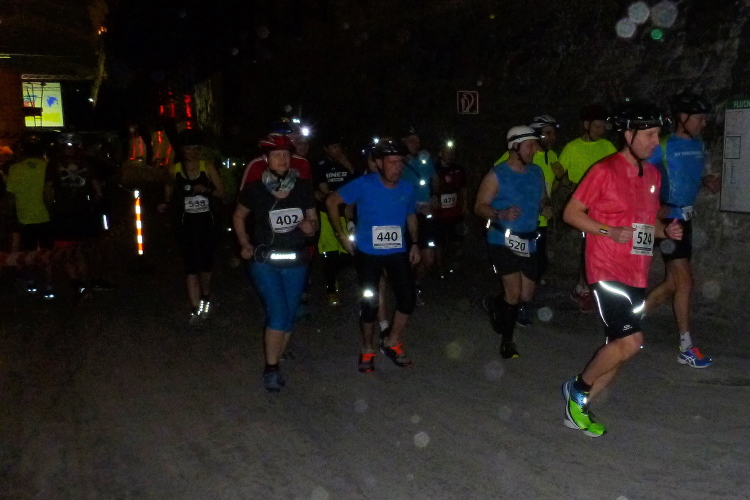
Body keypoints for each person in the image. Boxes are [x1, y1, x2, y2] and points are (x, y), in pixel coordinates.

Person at [561, 100, 682, 437]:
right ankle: (577, 390)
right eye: (649, 135)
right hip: (606, 269)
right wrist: (607, 231)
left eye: (657, 134)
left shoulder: (653, 175)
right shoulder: (603, 171)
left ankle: (578, 407)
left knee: (621, 347)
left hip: (636, 271)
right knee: (631, 341)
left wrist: (666, 231)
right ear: (628, 135)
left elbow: (647, 223)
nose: (656, 141)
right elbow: (571, 213)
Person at [325, 139, 420, 373]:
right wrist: (342, 235)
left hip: (397, 251)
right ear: (379, 163)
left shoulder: (407, 188)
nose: (397, 167)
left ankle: (391, 341)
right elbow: (332, 201)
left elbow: (410, 215)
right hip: (368, 254)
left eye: (400, 162)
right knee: (370, 304)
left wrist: (415, 243)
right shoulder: (364, 184)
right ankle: (368, 348)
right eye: (392, 162)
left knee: (408, 299)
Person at [233, 134, 318, 392]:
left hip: (296, 261)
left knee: (290, 315)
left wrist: (310, 226)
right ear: (266, 159)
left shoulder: (302, 187)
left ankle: (277, 358)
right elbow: (238, 216)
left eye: (286, 155)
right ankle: (271, 369)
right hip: (265, 261)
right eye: (276, 155)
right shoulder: (255, 190)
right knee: (279, 314)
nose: (282, 159)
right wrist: (245, 243)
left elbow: (314, 220)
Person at [644, 93, 720, 368]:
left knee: (673, 284)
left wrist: (705, 181)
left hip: (686, 219)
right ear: (682, 118)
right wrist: (656, 206)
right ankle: (686, 347)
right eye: (699, 118)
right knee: (686, 281)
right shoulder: (662, 146)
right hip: (668, 222)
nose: (704, 123)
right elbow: (640, 178)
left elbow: (685, 177)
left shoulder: (698, 144)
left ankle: (631, 319)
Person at [476, 126, 550, 359]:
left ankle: (495, 303)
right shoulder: (497, 174)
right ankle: (507, 341)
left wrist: (545, 207)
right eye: (530, 145)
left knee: (526, 296)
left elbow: (543, 199)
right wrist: (500, 213)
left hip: (529, 240)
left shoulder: (537, 172)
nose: (535, 150)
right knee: (514, 293)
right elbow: (479, 206)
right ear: (515, 146)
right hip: (502, 239)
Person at [493, 115, 565, 325]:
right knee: (515, 270)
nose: (552, 137)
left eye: (553, 133)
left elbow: (548, 189)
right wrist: (499, 214)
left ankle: (518, 300)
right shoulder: (508, 159)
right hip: (513, 227)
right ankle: (512, 304)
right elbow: (497, 185)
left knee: (539, 264)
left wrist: (548, 202)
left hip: (537, 223)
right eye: (547, 133)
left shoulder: (551, 157)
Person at [157, 129, 225, 324]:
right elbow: (168, 191)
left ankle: (205, 295)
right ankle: (195, 309)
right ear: (182, 151)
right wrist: (164, 203)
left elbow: (222, 193)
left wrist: (207, 189)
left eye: (196, 149)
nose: (192, 153)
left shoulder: (207, 166)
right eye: (188, 149)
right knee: (190, 267)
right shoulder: (174, 169)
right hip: (185, 225)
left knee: (206, 266)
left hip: (207, 224)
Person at [560, 104, 618, 313]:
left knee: (600, 248)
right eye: (596, 126)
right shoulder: (572, 148)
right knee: (590, 247)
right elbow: (559, 175)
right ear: (586, 125)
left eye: (603, 127)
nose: (600, 130)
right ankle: (584, 290)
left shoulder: (607, 146)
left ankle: (587, 288)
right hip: (583, 207)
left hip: (605, 207)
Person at [48, 132, 105, 297]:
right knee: (80, 251)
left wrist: (51, 208)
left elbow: (48, 190)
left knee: (65, 250)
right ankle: (83, 284)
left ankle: (76, 283)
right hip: (82, 212)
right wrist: (92, 204)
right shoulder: (87, 164)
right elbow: (98, 191)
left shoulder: (53, 164)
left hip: (62, 213)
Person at [5, 132, 54, 297]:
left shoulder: (15, 168)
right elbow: (49, 193)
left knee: (29, 252)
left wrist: (10, 216)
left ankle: (31, 282)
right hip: (46, 216)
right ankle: (49, 285)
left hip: (24, 217)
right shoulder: (47, 166)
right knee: (47, 252)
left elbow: (11, 196)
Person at [314, 133, 357, 305]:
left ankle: (338, 276)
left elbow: (357, 184)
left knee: (351, 250)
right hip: (327, 215)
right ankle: (331, 288)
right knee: (331, 253)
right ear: (326, 149)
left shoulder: (347, 162)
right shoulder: (321, 165)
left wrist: (349, 167)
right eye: (333, 147)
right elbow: (323, 190)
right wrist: (334, 196)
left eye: (339, 146)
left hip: (347, 213)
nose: (337, 150)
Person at [400, 127, 438, 302]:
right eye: (411, 140)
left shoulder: (425, 158)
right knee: (409, 256)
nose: (416, 143)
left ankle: (416, 283)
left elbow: (434, 178)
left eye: (417, 139)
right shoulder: (397, 161)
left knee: (429, 258)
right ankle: (406, 290)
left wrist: (435, 195)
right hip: (407, 215)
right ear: (403, 141)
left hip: (426, 213)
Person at [434, 140, 468, 278]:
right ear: (440, 153)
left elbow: (463, 188)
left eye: (452, 152)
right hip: (439, 213)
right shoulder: (434, 169)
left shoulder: (458, 169)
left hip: (455, 212)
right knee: (439, 241)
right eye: (447, 152)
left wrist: (465, 204)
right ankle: (440, 268)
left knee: (456, 240)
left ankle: (452, 265)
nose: (450, 155)